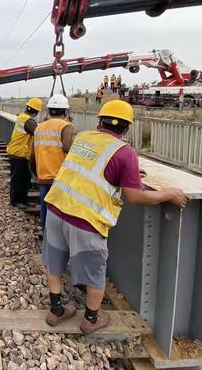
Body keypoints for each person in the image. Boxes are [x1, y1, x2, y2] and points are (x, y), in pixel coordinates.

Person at [42, 100, 189, 334]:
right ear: (127, 128)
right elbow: (135, 197)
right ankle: (91, 319)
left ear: (99, 121)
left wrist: (128, 174)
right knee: (95, 273)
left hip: (55, 208)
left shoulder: (82, 138)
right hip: (85, 220)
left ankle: (56, 310)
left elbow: (92, 166)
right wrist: (168, 194)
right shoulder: (125, 152)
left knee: (55, 264)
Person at [33, 94, 74, 231]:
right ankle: (58, 242)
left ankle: (46, 238)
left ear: (49, 110)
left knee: (45, 209)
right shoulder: (66, 126)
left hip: (43, 176)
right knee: (60, 211)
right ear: (65, 111)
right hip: (60, 177)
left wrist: (37, 174)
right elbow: (69, 149)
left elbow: (32, 156)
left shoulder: (39, 128)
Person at [6, 97, 42, 210]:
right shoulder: (28, 121)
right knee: (18, 179)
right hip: (18, 153)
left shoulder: (22, 117)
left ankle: (23, 200)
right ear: (36, 112)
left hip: (19, 152)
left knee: (25, 178)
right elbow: (38, 132)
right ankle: (15, 202)